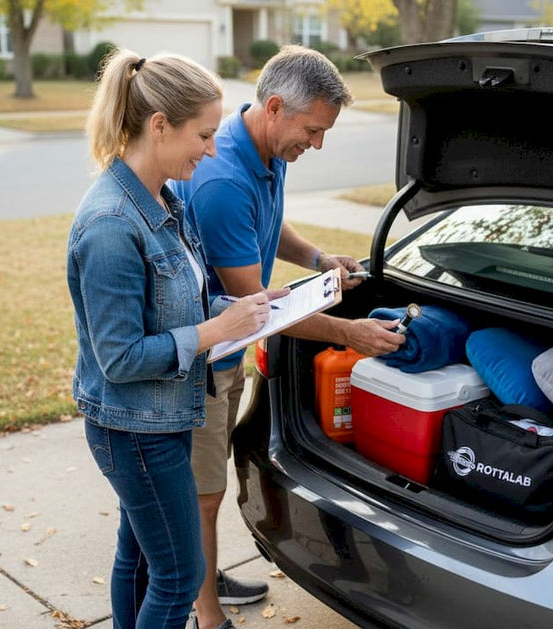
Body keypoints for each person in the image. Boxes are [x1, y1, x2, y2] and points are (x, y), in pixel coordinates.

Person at [174, 45, 404, 629]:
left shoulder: (263, 146)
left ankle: (195, 571)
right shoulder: (223, 177)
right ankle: (206, 613)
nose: (318, 144)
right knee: (200, 493)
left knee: (203, 486)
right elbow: (259, 313)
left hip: (223, 353)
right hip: (199, 361)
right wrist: (349, 331)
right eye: (313, 130)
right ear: (275, 106)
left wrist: (318, 258)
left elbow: (268, 223)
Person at [66, 49, 285, 629]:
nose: (212, 150)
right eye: (203, 135)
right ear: (159, 125)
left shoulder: (165, 199)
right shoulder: (112, 225)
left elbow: (181, 300)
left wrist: (242, 309)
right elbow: (120, 357)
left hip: (161, 419)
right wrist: (218, 330)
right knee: (180, 577)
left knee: (139, 558)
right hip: (134, 428)